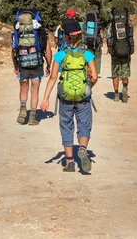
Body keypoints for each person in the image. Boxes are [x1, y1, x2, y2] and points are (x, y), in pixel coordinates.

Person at [40, 20, 98, 173]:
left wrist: (45, 98)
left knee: (66, 126)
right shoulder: (87, 55)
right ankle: (83, 148)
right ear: (80, 37)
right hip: (83, 98)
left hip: (65, 97)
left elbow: (53, 78)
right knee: (84, 125)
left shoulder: (59, 56)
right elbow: (95, 77)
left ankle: (70, 162)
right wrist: (88, 88)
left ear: (65, 37)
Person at [12, 9, 52, 126]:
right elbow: (48, 50)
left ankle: (23, 107)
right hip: (37, 64)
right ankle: (32, 118)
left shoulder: (17, 31)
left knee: (23, 88)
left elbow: (14, 50)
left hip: (23, 63)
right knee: (35, 90)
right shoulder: (40, 32)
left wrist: (15, 65)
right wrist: (48, 65)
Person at [106, 7, 134, 103]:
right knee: (125, 73)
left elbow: (108, 38)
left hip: (115, 53)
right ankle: (125, 88)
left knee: (115, 74)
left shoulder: (111, 25)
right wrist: (131, 50)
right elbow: (131, 37)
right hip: (126, 52)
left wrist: (110, 50)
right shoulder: (128, 25)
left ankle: (116, 94)